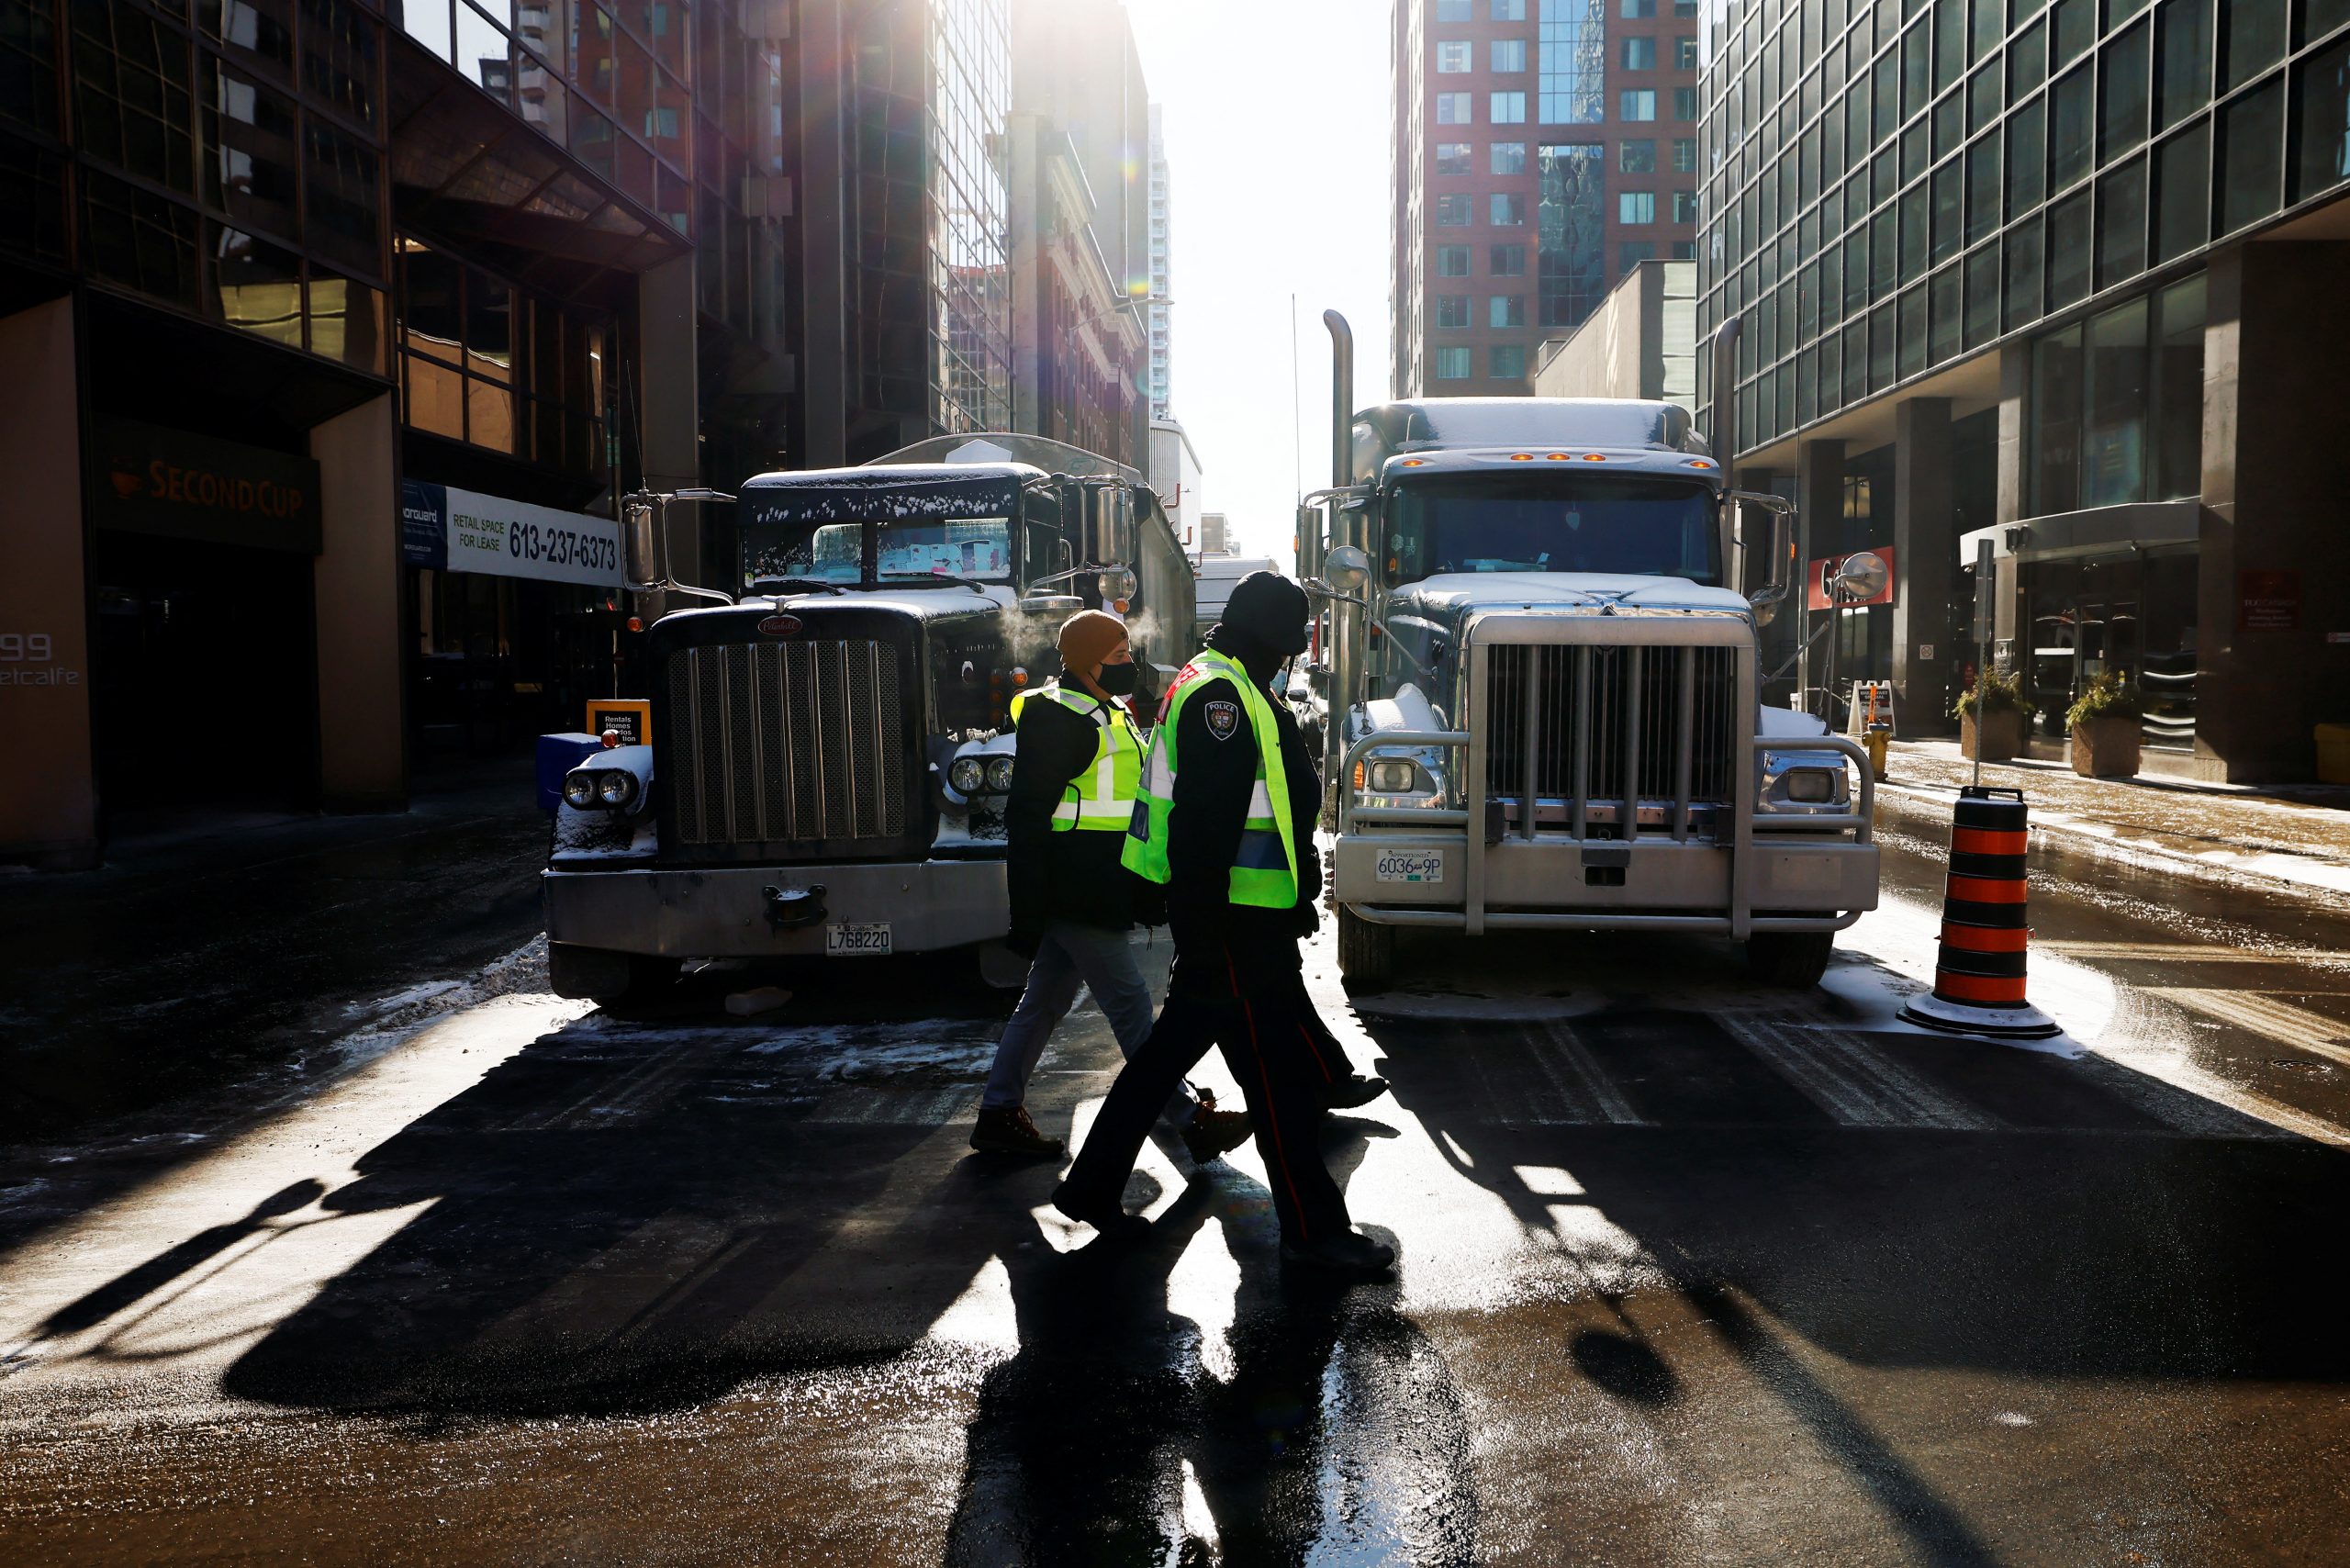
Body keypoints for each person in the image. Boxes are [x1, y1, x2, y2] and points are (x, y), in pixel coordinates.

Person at [1051, 573, 1396, 1275]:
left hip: (1241, 923)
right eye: (1294, 640)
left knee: (1165, 1064)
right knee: (1277, 1084)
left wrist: (1287, 896)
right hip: (1233, 927)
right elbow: (1205, 830)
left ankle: (1090, 1188)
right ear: (1276, 639)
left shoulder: (1229, 683)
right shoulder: (1222, 696)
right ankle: (1313, 1229)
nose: (1296, 653)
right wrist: (1205, 935)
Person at [971, 610, 1255, 1164]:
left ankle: (999, 1112)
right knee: (1130, 1007)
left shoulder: (1110, 711)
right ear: (1086, 662)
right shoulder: (1062, 719)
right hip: (1078, 886)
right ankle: (1188, 1117)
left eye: (1129, 653)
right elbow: (1027, 819)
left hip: (1096, 882)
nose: (1131, 665)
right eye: (1120, 657)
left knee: (1044, 1002)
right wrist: (1025, 912)